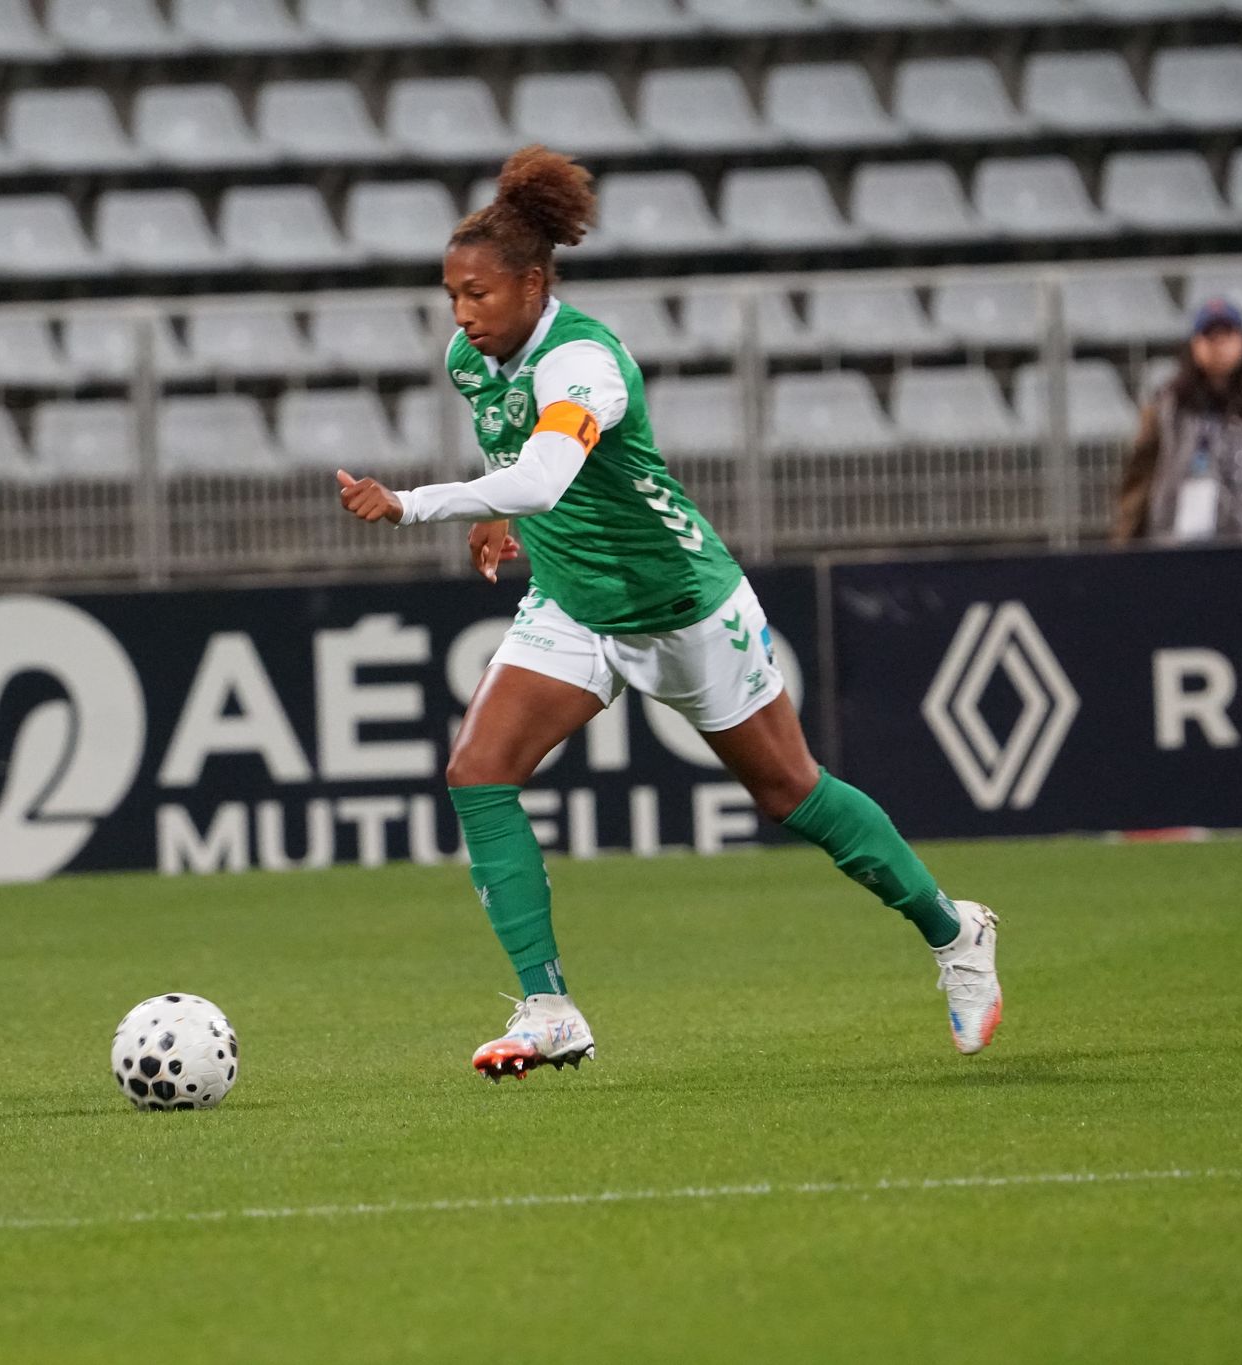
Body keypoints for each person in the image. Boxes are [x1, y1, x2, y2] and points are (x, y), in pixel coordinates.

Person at [335, 146, 1002, 1080]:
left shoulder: (586, 364)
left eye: (478, 294)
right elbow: (518, 458)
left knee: (791, 793)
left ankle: (954, 932)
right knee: (478, 772)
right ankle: (549, 1008)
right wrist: (496, 511)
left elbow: (546, 473)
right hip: (573, 602)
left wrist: (415, 504)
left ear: (534, 284)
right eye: (451, 296)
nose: (461, 315)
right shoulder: (470, 360)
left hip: (682, 604)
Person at [1113, 298, 1242, 544]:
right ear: (1194, 344)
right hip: (1177, 547)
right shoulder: (1165, 412)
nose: (1219, 345)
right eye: (1210, 336)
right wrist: (1123, 545)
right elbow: (1138, 488)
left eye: (1227, 335)